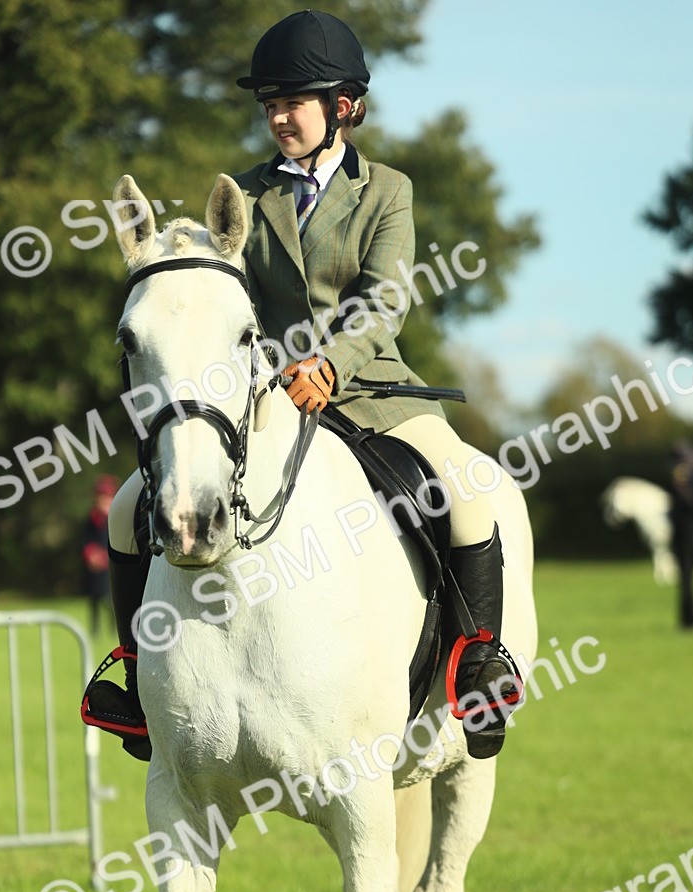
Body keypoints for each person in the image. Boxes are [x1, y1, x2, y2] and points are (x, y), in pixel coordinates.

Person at [83, 9, 520, 761]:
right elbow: (220, 302)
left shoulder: (387, 191)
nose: (278, 116)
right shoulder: (244, 197)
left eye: (293, 101)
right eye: (270, 103)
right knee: (129, 507)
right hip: (269, 401)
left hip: (373, 391)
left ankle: (477, 661)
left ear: (342, 106)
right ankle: (136, 680)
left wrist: (331, 364)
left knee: (467, 491)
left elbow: (386, 299)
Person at [668, 439, 693, 629]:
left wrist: (681, 487)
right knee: (686, 581)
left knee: (686, 580)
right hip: (683, 537)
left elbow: (692, 505)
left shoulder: (688, 481)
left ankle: (689, 622)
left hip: (689, 537)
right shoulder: (676, 481)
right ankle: (688, 621)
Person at [81, 475, 117, 636]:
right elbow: (85, 541)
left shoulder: (116, 517)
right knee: (95, 600)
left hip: (111, 564)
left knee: (112, 600)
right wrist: (91, 555)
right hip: (96, 567)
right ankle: (95, 631)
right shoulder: (91, 518)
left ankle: (113, 630)